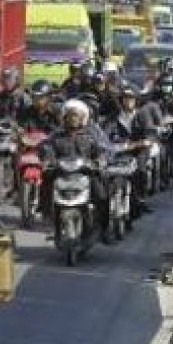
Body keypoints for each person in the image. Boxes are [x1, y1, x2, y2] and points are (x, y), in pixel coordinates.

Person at [40, 99, 113, 242]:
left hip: (85, 173)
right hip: (61, 173)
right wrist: (48, 161)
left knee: (102, 194)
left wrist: (99, 161)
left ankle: (104, 229)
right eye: (70, 115)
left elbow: (101, 151)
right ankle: (47, 217)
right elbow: (47, 149)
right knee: (46, 183)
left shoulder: (91, 135)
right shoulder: (56, 135)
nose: (73, 119)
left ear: (83, 118)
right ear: (64, 117)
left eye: (76, 116)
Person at [100, 84, 156, 211]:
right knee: (102, 170)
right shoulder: (114, 116)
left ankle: (141, 199)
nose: (128, 101)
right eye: (125, 98)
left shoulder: (142, 114)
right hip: (119, 149)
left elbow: (150, 132)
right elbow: (104, 133)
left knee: (140, 169)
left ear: (136, 100)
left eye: (131, 98)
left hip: (139, 149)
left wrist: (145, 141)